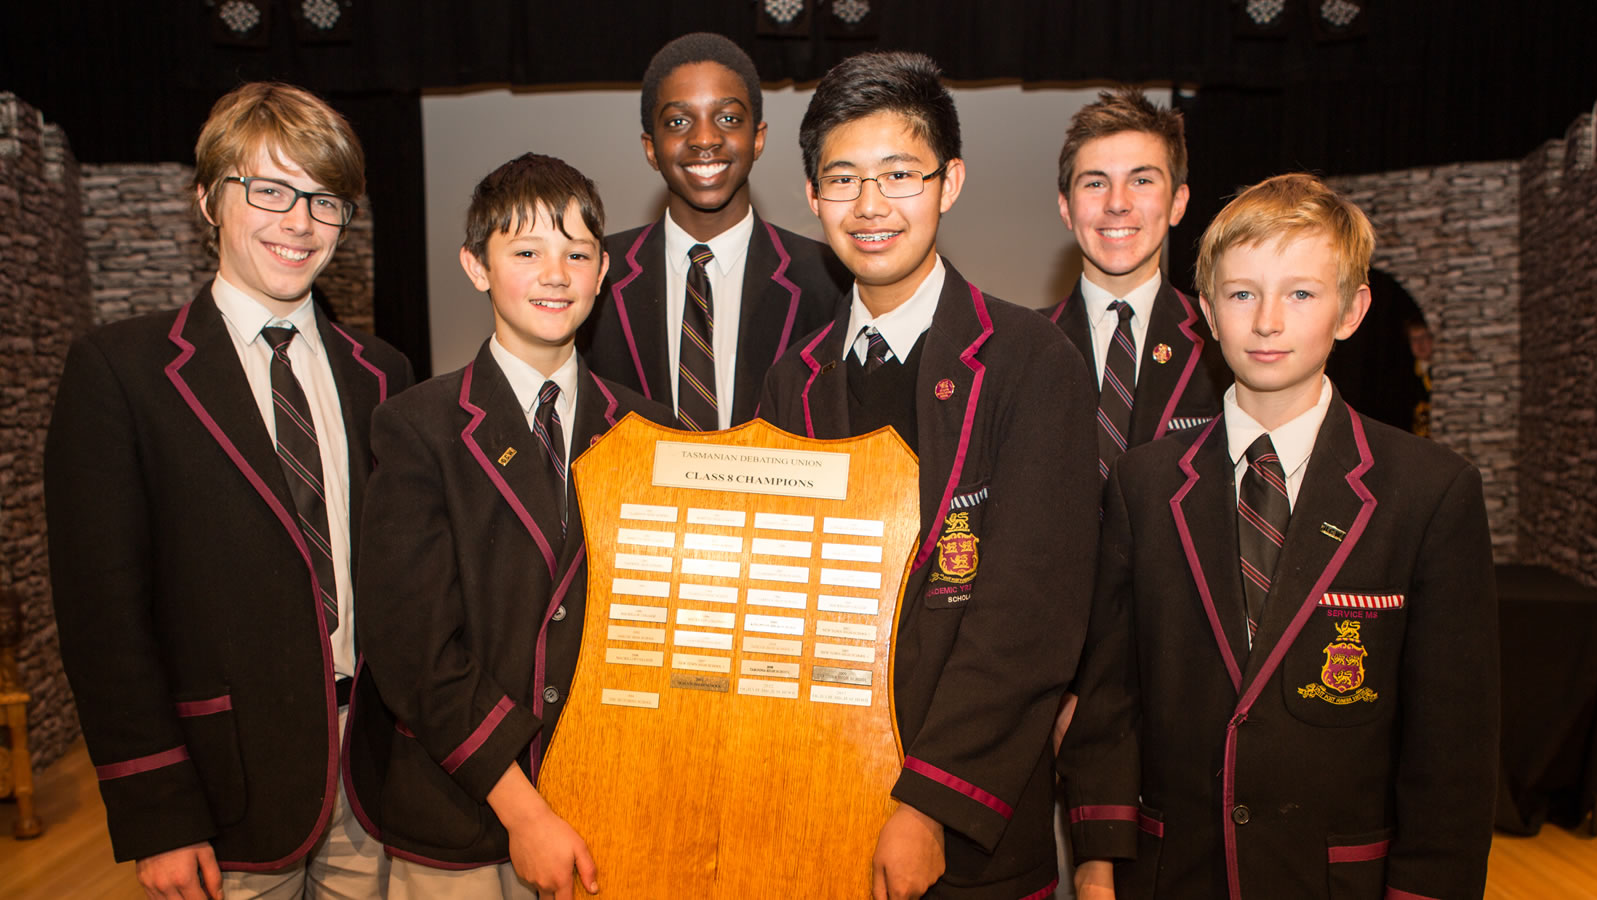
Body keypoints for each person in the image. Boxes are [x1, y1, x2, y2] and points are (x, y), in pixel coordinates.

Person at [1058, 173, 1497, 899]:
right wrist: (1099, 862)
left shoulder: (1429, 491)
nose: (1267, 321)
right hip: (1172, 875)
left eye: (1300, 293)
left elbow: (1453, 744)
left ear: (1351, 311)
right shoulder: (1145, 483)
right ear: (1206, 311)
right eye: (1241, 293)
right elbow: (1111, 698)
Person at [46, 81, 413, 898]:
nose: (299, 222)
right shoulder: (121, 373)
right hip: (225, 789)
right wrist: (160, 814)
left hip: (374, 776)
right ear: (208, 199)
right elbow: (103, 618)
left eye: (324, 200)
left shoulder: (382, 374)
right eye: (270, 189)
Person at [759, 50, 1098, 900]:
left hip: (969, 825)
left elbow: (1030, 618)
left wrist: (930, 805)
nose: (870, 205)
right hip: (813, 805)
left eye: (899, 174)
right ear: (811, 197)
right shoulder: (788, 382)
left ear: (949, 183)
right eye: (843, 178)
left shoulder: (1030, 361)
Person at [345, 153, 673, 899]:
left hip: (612, 798)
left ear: (603, 272)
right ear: (476, 266)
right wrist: (523, 811)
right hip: (463, 808)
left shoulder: (653, 429)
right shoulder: (416, 426)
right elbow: (413, 649)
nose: (554, 273)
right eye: (527, 251)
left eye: (576, 253)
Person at [579, 31, 850, 430]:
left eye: (728, 118)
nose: (704, 138)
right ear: (651, 147)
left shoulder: (830, 280)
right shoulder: (594, 275)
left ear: (757, 139)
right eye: (678, 121)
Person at [1047, 87, 1227, 479]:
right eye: (1095, 183)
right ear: (1066, 207)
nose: (1117, 202)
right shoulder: (1022, 346)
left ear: (1178, 202)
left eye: (1142, 181)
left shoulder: (1224, 341)